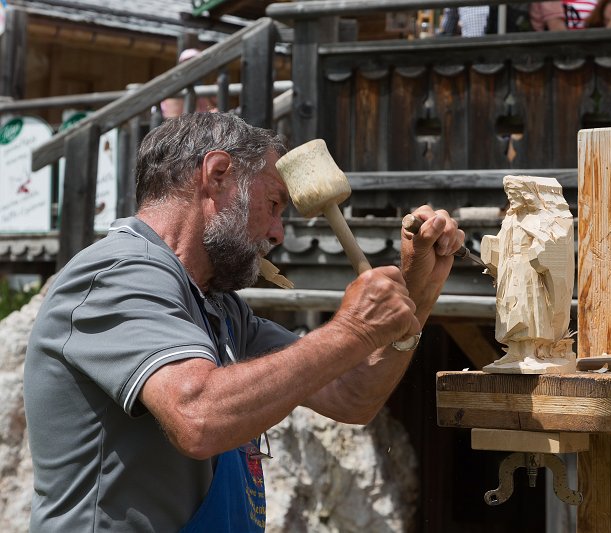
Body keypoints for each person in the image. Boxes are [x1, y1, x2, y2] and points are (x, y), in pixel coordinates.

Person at [23, 113, 464, 532]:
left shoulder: (220, 307)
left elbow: (352, 397)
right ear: (217, 175)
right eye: (274, 204)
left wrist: (417, 292)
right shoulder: (117, 275)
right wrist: (353, 329)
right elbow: (198, 417)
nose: (278, 233)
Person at [160, 48, 217, 119]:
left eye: (198, 63)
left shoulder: (199, 85)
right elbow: (173, 117)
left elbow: (207, 109)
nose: (194, 67)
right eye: (189, 62)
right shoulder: (175, 87)